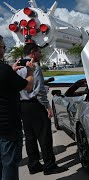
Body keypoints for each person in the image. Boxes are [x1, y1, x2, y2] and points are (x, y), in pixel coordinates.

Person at [17, 43, 67, 175]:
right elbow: (38, 90)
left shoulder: (17, 67)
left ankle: (33, 165)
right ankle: (49, 166)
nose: (41, 54)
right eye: (39, 52)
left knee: (30, 137)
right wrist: (47, 106)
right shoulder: (35, 67)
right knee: (44, 136)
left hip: (23, 106)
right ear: (33, 53)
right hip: (35, 104)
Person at [0, 35, 35, 180]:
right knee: (9, 165)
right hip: (7, 127)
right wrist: (31, 72)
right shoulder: (4, 70)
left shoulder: (6, 71)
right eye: (3, 47)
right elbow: (28, 86)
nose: (4, 49)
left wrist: (11, 72)